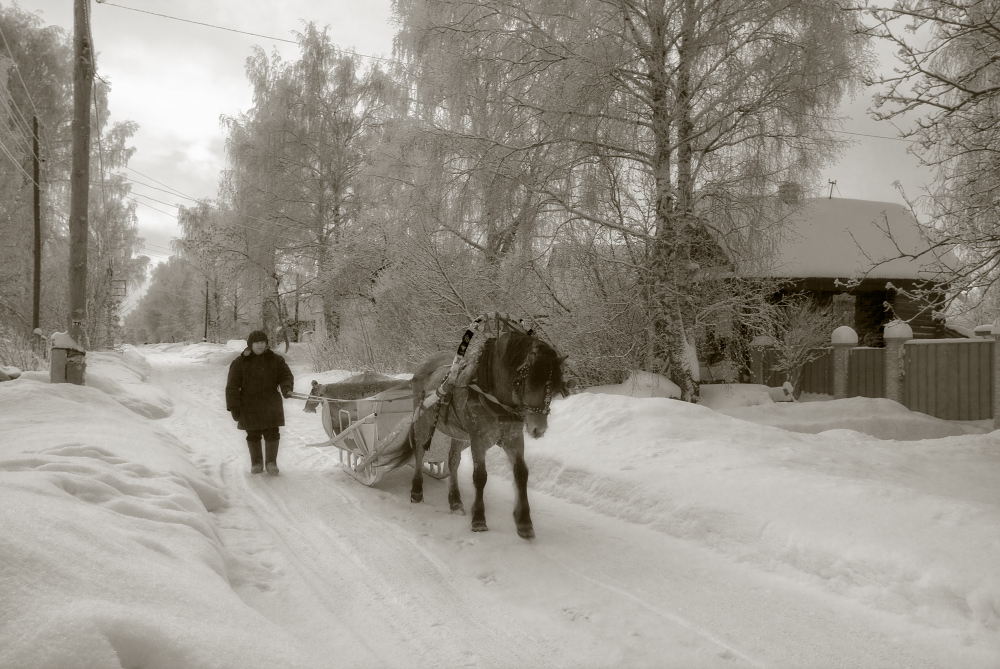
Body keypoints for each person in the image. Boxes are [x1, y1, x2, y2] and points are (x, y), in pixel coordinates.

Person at [226, 330, 294, 475]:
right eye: (257, 342)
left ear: (266, 344)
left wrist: (286, 388)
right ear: (251, 344)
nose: (260, 345)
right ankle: (256, 463)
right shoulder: (240, 362)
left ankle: (271, 463)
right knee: (253, 433)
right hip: (249, 404)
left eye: (263, 342)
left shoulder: (275, 360)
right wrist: (233, 406)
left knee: (272, 432)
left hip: (271, 403)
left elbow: (285, 375)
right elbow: (232, 386)